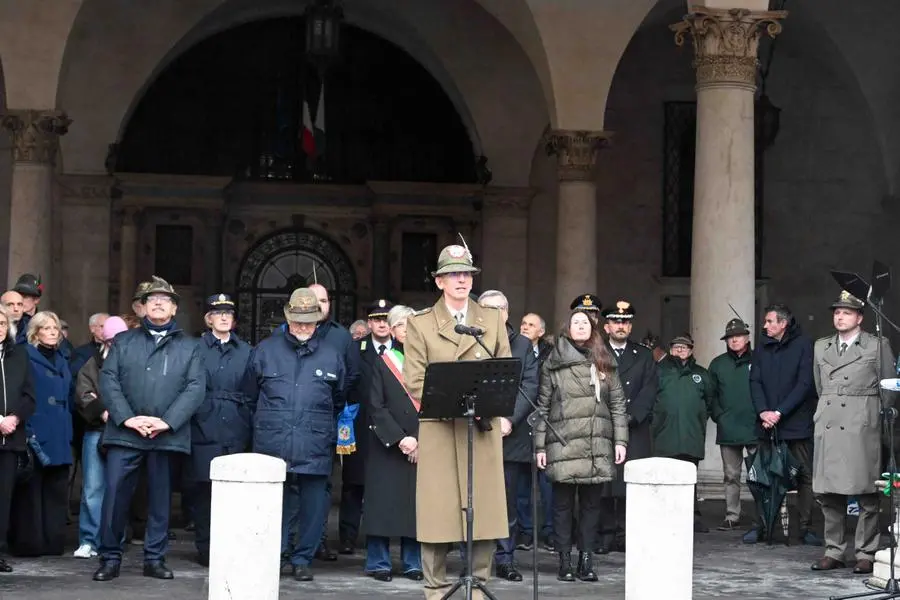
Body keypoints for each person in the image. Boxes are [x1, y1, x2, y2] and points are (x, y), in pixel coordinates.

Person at [403, 242, 511, 600]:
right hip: (440, 428)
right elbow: (414, 378)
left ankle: (479, 587)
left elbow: (505, 371)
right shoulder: (420, 324)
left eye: (465, 273)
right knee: (437, 514)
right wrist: (457, 398)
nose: (461, 280)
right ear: (439, 282)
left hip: (481, 429)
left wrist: (488, 403)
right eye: (452, 274)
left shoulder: (492, 319)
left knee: (485, 510)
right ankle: (435, 590)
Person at [93, 276, 206, 582]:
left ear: (174, 309)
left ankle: (154, 558)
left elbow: (195, 387)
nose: (158, 303)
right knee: (115, 496)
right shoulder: (124, 342)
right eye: (152, 299)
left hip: (166, 435)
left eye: (165, 300)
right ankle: (109, 557)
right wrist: (128, 418)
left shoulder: (190, 346)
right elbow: (110, 380)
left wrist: (166, 421)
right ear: (141, 308)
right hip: (124, 434)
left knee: (160, 500)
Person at [243, 288, 346, 582]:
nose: (303, 326)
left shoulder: (332, 355)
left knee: (314, 506)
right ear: (288, 318)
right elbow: (249, 396)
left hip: (314, 442)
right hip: (272, 443)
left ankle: (303, 558)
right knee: (275, 503)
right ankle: (277, 554)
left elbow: (338, 399)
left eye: (309, 321)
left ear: (318, 321)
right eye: (298, 320)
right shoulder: (265, 351)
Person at [535, 306, 627, 582]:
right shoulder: (554, 362)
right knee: (562, 507)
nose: (581, 326)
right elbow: (542, 407)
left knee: (591, 507)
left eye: (585, 322)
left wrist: (620, 440)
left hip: (596, 443)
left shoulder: (604, 360)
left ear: (593, 328)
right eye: (576, 322)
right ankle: (564, 560)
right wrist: (540, 446)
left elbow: (618, 404)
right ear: (567, 329)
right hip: (562, 442)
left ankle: (586, 559)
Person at [810, 291, 896, 574]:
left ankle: (865, 552)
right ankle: (833, 551)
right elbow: (820, 386)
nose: (840, 316)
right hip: (831, 421)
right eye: (837, 312)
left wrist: (876, 420)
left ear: (859, 317)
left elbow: (888, 386)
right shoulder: (821, 347)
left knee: (866, 493)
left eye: (846, 312)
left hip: (861, 423)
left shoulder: (876, 345)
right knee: (829, 494)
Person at [746, 303, 820, 546]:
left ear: (783, 324)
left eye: (769, 321)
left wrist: (779, 411)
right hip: (767, 423)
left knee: (803, 476)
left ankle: (805, 528)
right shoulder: (761, 348)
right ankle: (762, 526)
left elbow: (804, 384)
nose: (765, 326)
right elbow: (754, 381)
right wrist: (763, 412)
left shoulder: (804, 345)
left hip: (796, 423)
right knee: (761, 475)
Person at [189, 294, 252, 567]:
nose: (224, 317)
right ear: (209, 318)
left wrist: (246, 417)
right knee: (204, 491)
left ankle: (231, 546)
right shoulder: (195, 349)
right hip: (205, 424)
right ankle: (205, 548)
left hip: (236, 424)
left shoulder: (247, 351)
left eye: (229, 313)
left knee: (236, 494)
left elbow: (252, 390)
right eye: (218, 312)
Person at [362, 304, 423, 582]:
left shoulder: (429, 361)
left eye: (413, 325)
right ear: (394, 330)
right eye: (402, 326)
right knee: (382, 504)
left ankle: (413, 561)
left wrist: (421, 440)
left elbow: (436, 403)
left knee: (415, 506)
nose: (407, 331)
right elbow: (376, 405)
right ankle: (378, 561)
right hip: (388, 443)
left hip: (420, 446)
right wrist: (401, 438)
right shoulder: (383, 361)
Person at [8, 311, 73, 557]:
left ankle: (53, 541)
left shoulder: (62, 357)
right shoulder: (25, 355)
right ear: (36, 332)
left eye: (55, 328)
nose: (53, 332)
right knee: (31, 491)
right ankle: (30, 543)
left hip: (59, 431)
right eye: (46, 328)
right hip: (35, 429)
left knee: (56, 490)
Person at [597, 300, 657, 553]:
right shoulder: (596, 352)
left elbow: (650, 388)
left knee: (631, 485)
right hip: (603, 426)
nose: (621, 326)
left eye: (626, 322)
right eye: (616, 321)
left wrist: (631, 417)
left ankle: (627, 535)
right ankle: (604, 536)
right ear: (606, 326)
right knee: (603, 485)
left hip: (634, 427)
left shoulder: (643, 354)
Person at [73, 316, 130, 559]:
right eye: (111, 340)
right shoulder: (91, 364)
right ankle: (89, 540)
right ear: (103, 340)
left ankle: (115, 539)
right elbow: (83, 394)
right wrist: (103, 412)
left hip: (126, 434)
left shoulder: (137, 364)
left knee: (119, 489)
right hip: (97, 431)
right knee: (92, 489)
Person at [652, 333, 713, 533]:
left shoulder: (702, 374)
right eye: (676, 347)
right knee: (664, 476)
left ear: (691, 350)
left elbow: (710, 402)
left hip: (691, 434)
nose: (680, 350)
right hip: (664, 434)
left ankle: (693, 516)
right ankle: (663, 515)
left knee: (690, 478)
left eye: (684, 347)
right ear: (670, 349)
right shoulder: (658, 371)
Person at [708, 318, 756, 531]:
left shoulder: (760, 360)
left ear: (747, 338)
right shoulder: (718, 364)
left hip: (756, 426)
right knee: (731, 475)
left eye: (738, 336)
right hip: (728, 427)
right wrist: (720, 415)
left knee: (759, 475)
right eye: (730, 337)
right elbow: (711, 395)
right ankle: (732, 514)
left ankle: (762, 515)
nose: (734, 340)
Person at [0, 305, 36, 573]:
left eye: (2, 323)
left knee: (4, 498)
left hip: (12, 439)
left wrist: (14, 418)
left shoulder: (20, 354)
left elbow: (29, 395)